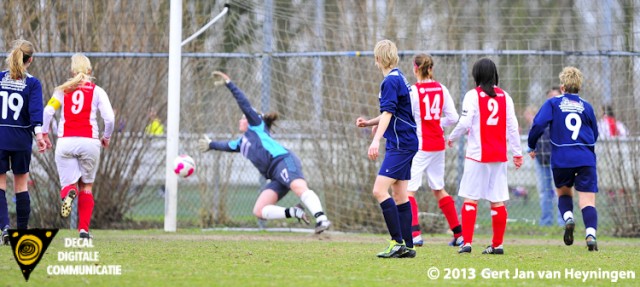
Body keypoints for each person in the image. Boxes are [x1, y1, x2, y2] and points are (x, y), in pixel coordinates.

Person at [198, 71, 331, 234]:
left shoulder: (256, 124)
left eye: (243, 118)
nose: (241, 120)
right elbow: (225, 145)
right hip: (274, 175)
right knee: (259, 210)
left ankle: (321, 219)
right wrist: (211, 144)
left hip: (283, 160)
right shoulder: (241, 142)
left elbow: (244, 103)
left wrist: (229, 83)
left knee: (298, 186)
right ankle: (294, 212)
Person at [447, 58, 523, 255]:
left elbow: (464, 123)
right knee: (497, 200)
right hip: (498, 156)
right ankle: (497, 245)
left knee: (470, 199)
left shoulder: (472, 95)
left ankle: (467, 243)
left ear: (477, 75)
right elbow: (513, 127)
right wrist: (517, 153)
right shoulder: (505, 96)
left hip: (477, 156)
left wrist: (452, 137)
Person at [355, 39, 417, 258]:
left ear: (377, 59)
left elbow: (390, 113)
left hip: (400, 144)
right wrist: (370, 124)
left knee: (378, 190)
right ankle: (408, 246)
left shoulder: (389, 81)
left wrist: (375, 140)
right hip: (404, 142)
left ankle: (396, 242)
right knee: (399, 195)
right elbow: (389, 112)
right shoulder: (398, 76)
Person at [42, 53, 115, 239]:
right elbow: (110, 119)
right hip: (89, 142)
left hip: (66, 142)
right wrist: (106, 137)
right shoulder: (97, 91)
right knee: (87, 187)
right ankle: (83, 231)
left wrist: (43, 133)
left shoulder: (62, 90)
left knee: (68, 185)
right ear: (90, 71)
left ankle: (69, 192)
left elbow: (48, 111)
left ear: (71, 71)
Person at [528, 67, 600, 251]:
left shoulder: (553, 103)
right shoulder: (587, 106)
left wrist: (531, 144)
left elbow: (538, 124)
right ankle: (590, 234)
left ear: (562, 87)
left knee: (564, 193)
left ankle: (568, 217)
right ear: (579, 88)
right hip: (585, 158)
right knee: (587, 201)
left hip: (562, 158)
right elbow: (595, 133)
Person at [406, 53, 462, 247]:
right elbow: (453, 118)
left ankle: (415, 235)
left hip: (421, 145)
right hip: (438, 144)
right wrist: (438, 122)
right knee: (438, 189)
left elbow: (408, 118)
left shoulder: (413, 91)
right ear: (431, 69)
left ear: (415, 69)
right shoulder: (441, 88)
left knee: (408, 191)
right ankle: (458, 233)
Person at [0, 39, 46, 244]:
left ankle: (5, 229)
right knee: (21, 186)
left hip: (1, 137)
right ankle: (21, 231)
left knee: (0, 185)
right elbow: (36, 113)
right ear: (31, 60)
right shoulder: (33, 83)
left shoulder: (0, 78)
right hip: (21, 140)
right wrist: (39, 135)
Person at [524, 87, 564, 226]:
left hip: (558, 159)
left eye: (555, 96)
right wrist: (532, 147)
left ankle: (562, 222)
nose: (552, 99)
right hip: (541, 158)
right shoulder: (543, 114)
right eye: (550, 96)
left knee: (561, 190)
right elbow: (536, 130)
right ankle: (546, 221)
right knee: (544, 192)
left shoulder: (563, 116)